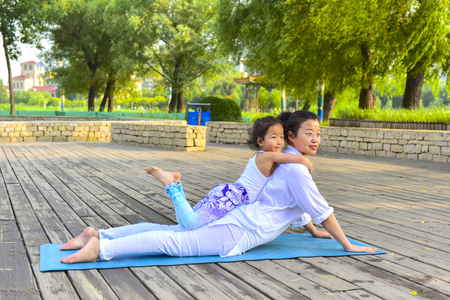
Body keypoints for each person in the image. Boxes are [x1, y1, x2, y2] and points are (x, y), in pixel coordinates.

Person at [59, 111, 376, 264]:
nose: (316, 138)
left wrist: (312, 231)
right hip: (241, 229)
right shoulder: (295, 167)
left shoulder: (287, 162)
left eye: (318, 133)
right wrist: (346, 244)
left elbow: (295, 203)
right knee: (175, 243)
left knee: (174, 233)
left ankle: (100, 235)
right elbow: (320, 208)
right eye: (309, 132)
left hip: (236, 216)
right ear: (292, 137)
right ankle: (104, 249)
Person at [146, 116, 313, 229]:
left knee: (184, 224)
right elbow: (296, 159)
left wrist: (312, 229)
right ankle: (169, 183)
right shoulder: (267, 157)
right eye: (274, 137)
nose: (279, 142)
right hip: (232, 198)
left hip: (228, 193)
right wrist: (307, 164)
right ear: (260, 141)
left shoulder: (266, 156)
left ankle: (176, 183)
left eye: (282, 137)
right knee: (190, 223)